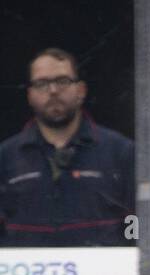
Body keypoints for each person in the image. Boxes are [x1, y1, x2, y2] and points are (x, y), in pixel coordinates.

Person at [0, 48, 134, 247]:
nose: (53, 90)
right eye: (42, 83)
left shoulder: (121, 151)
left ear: (81, 90)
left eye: (63, 81)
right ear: (30, 95)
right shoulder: (6, 156)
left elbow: (139, 218)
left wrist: (133, 252)